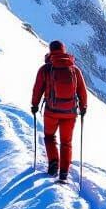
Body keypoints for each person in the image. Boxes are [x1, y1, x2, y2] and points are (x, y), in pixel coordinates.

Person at [30, 40, 88, 182]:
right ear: (64, 50)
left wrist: (34, 105)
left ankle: (53, 163)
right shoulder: (74, 69)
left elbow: (37, 89)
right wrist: (83, 107)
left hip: (51, 111)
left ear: (50, 51)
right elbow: (82, 91)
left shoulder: (45, 69)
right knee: (66, 142)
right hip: (70, 112)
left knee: (50, 137)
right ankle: (63, 173)